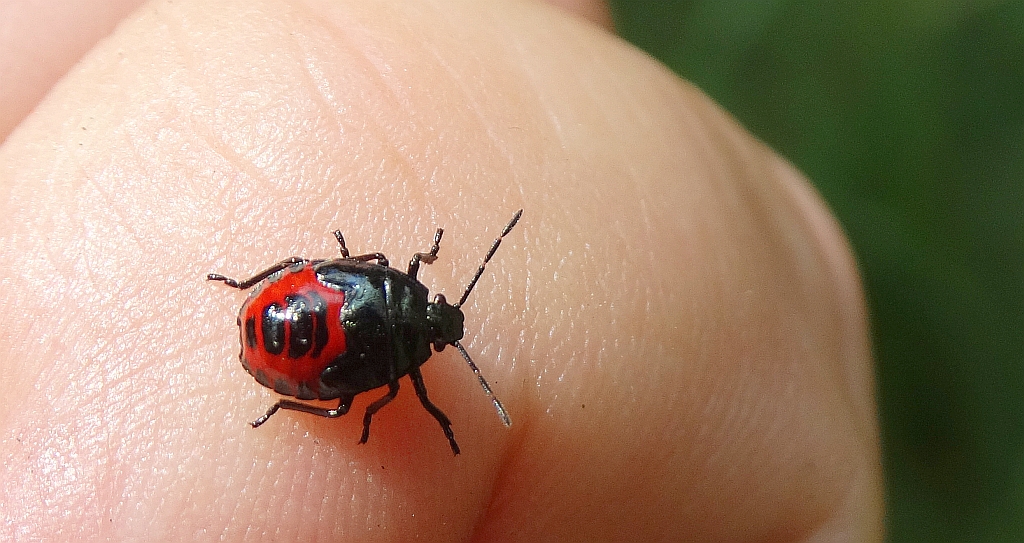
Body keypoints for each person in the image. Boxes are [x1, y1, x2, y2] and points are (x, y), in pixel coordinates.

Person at [0, 0, 883, 540]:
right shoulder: (400, 359)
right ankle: (258, 331)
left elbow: (350, 272)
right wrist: (417, 416)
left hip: (290, 306)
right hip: (298, 335)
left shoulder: (394, 284)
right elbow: (375, 388)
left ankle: (251, 305)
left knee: (330, 338)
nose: (439, 320)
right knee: (342, 401)